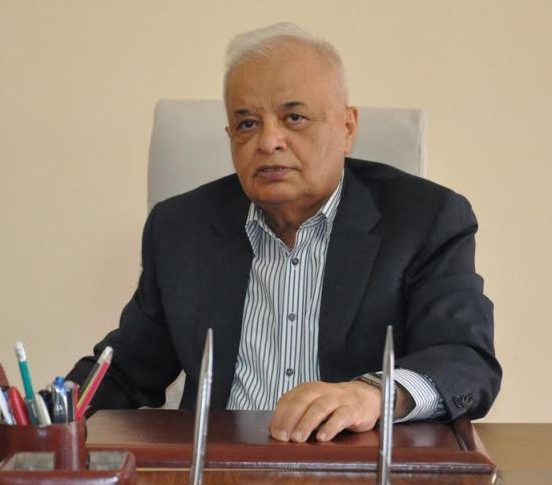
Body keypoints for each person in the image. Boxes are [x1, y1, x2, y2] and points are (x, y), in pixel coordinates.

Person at [67, 23, 501, 443]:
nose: (268, 141)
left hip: (357, 468)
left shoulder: (425, 219)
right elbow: (125, 371)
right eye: (247, 124)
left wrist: (374, 394)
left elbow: (465, 361)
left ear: (347, 128)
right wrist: (51, 413)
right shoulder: (181, 228)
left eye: (294, 117)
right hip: (218, 467)